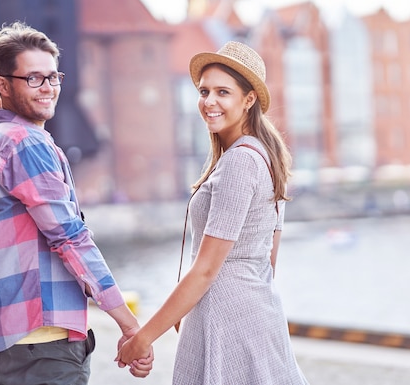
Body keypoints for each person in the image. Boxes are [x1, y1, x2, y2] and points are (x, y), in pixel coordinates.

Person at [0, 21, 153, 384]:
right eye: (34, 78)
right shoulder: (27, 144)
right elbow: (70, 238)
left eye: (53, 77)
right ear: (2, 85)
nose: (48, 88)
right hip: (43, 343)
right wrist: (131, 325)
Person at [116, 41, 309, 384]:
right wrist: (188, 309)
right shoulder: (265, 157)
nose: (209, 101)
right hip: (255, 311)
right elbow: (269, 261)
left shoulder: (239, 162)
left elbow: (206, 270)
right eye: (204, 91)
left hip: (226, 316)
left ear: (249, 100)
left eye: (223, 92)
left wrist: (143, 338)